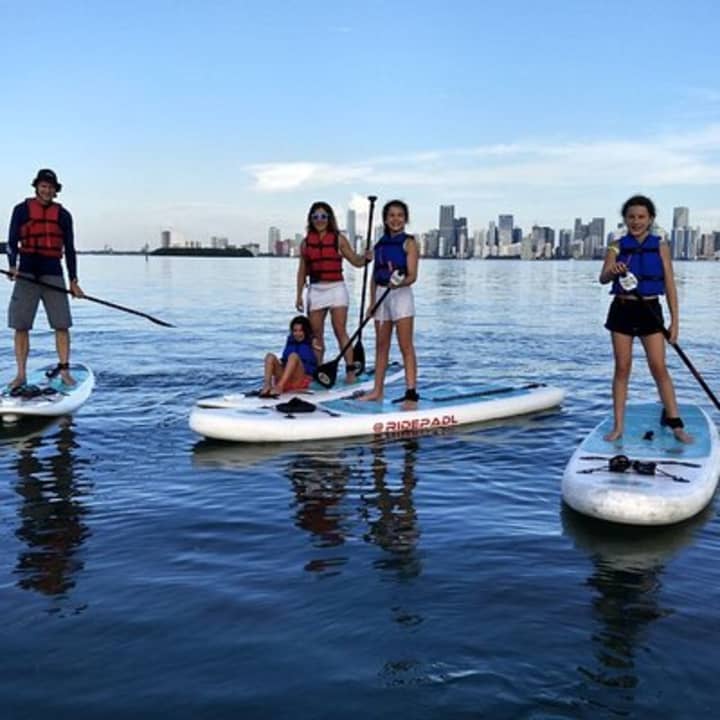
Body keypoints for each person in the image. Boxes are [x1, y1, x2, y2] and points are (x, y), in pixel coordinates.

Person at [599, 194, 692, 443]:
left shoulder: (660, 246)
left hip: (650, 310)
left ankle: (676, 423)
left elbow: (670, 285)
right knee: (622, 367)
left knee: (658, 366)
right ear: (625, 219)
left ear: (650, 219)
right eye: (631, 217)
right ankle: (618, 426)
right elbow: (603, 278)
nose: (636, 221)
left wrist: (675, 322)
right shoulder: (616, 245)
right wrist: (613, 270)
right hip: (622, 310)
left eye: (641, 217)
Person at [6, 169, 84, 390]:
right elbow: (12, 240)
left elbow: (69, 249)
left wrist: (74, 281)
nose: (46, 190)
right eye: (43, 186)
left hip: (53, 273)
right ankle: (21, 375)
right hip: (27, 273)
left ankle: (65, 371)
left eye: (50, 187)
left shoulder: (63, 215)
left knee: (62, 324)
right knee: (20, 326)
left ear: (55, 190)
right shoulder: (21, 210)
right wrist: (12, 266)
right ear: (36, 187)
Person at [295, 201, 371, 384]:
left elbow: (355, 261)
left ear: (329, 219)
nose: (319, 220)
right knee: (316, 335)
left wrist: (365, 259)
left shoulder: (338, 239)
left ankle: (351, 370)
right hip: (316, 290)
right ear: (310, 220)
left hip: (336, 288)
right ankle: (318, 370)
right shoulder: (306, 244)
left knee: (340, 330)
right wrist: (298, 295)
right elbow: (302, 271)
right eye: (315, 217)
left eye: (323, 216)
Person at [359, 199, 419, 406]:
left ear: (405, 219)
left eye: (400, 215)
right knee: (381, 346)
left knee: (405, 345)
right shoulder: (380, 245)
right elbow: (374, 277)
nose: (396, 219)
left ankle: (411, 393)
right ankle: (377, 391)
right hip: (382, 296)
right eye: (391, 215)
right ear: (385, 219)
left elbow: (413, 276)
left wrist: (399, 283)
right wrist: (371, 302)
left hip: (401, 296)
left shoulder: (409, 242)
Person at [259, 315, 318, 398]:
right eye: (295, 331)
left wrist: (315, 344)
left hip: (300, 379)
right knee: (269, 356)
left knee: (293, 356)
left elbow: (317, 363)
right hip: (286, 379)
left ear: (306, 331)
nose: (297, 333)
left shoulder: (312, 342)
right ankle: (267, 385)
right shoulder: (290, 341)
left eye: (301, 331)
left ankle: (279, 386)